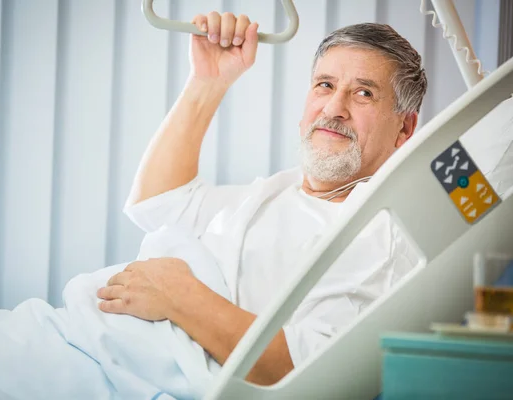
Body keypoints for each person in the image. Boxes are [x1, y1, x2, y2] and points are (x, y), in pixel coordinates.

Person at [95, 12, 428, 385]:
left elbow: (308, 374)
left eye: (364, 93)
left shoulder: (379, 234)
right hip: (80, 338)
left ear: (405, 127)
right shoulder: (273, 194)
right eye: (325, 85)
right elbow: (156, 203)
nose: (334, 108)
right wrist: (208, 81)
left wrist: (179, 295)